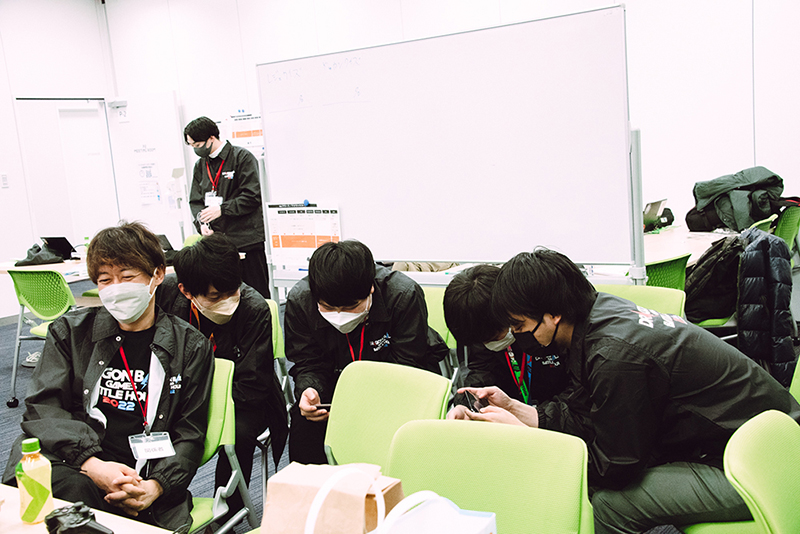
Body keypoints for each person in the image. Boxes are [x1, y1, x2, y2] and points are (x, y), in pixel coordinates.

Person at [450, 248, 800, 534]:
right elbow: (586, 408)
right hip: (751, 441)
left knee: (609, 504)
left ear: (552, 315)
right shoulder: (600, 313)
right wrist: (524, 413)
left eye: (519, 326)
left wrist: (530, 440)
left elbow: (615, 468)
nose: (516, 336)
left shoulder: (615, 356)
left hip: (763, 468)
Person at [3, 222, 214, 531]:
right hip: (72, 461)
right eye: (105, 280)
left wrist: (156, 486)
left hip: (142, 476)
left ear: (157, 275)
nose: (116, 288)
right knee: (74, 495)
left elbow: (190, 432)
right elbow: (44, 408)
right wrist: (93, 465)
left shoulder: (190, 346)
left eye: (127, 277)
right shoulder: (71, 332)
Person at [156, 233, 288, 521]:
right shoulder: (165, 296)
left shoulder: (253, 308)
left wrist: (205, 410)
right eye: (215, 297)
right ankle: (162, 502)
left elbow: (253, 385)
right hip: (181, 395)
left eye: (233, 291)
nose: (228, 302)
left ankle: (228, 510)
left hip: (241, 398)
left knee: (238, 432)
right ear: (186, 291)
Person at [284, 239, 449, 464]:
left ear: (370, 289)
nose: (340, 315)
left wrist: (363, 404)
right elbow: (307, 362)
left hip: (395, 385)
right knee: (304, 425)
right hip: (333, 384)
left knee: (397, 436)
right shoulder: (301, 300)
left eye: (351, 307)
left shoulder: (402, 295)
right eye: (328, 308)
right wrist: (310, 390)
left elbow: (407, 364)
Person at [443, 264, 568, 408]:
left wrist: (540, 414)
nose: (490, 344)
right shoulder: (479, 329)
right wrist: (470, 404)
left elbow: (577, 393)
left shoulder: (547, 327)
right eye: (485, 342)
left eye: (495, 337)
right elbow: (481, 374)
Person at [184, 116, 270, 298]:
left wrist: (222, 209)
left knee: (255, 294)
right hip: (218, 245)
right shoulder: (200, 165)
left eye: (197, 145)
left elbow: (252, 196)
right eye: (191, 146)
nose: (195, 149)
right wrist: (202, 224)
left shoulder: (241, 157)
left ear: (211, 138)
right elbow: (196, 201)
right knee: (226, 296)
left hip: (246, 241)